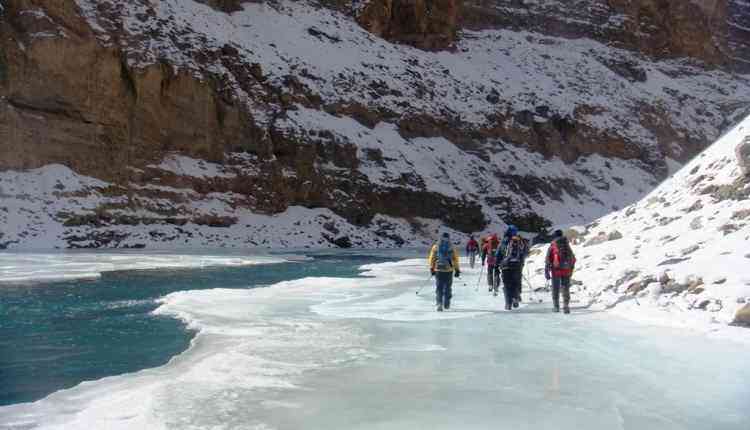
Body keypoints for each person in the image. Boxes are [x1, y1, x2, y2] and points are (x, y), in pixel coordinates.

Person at [496, 225, 528, 310]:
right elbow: (524, 253)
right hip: (517, 266)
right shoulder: (519, 241)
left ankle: (508, 303)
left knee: (507, 284)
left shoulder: (504, 241)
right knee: (515, 283)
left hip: (505, 266)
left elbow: (498, 254)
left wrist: (497, 265)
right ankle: (515, 297)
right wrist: (521, 263)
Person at [545, 229, 576, 314]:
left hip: (556, 270)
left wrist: (547, 271)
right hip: (566, 270)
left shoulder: (553, 245)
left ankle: (556, 307)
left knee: (555, 288)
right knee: (565, 287)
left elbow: (548, 259)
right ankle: (566, 306)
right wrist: (571, 269)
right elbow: (573, 259)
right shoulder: (566, 244)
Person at [428, 232, 461, 312]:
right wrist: (457, 269)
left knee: (439, 287)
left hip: (438, 269)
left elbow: (432, 258)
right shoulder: (452, 247)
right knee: (448, 287)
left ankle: (439, 303)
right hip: (449, 270)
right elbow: (455, 259)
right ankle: (447, 303)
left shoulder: (436, 247)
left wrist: (431, 268)